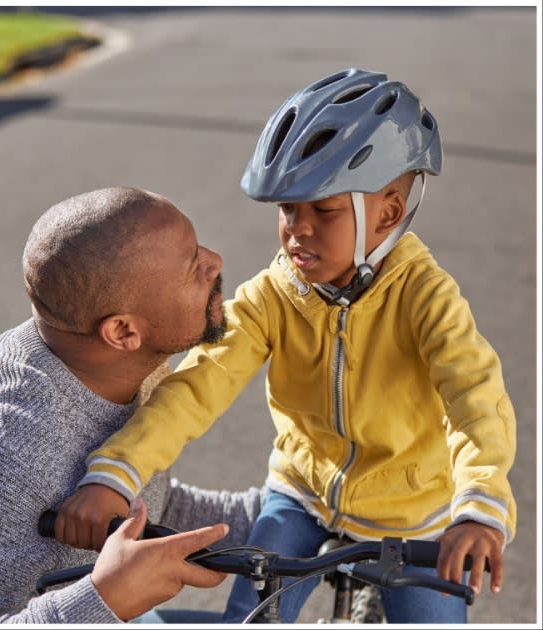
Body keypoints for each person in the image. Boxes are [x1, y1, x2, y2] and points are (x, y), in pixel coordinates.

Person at [56, 69, 517, 623]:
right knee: (248, 619)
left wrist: (481, 507)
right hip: (302, 494)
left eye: (323, 211)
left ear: (388, 213)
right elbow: (198, 383)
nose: (298, 229)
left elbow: (476, 403)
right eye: (288, 210)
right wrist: (115, 472)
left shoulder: (427, 299)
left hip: (413, 514)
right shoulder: (273, 295)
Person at [0, 186, 264, 624]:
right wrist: (105, 596)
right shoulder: (3, 455)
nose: (215, 261)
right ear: (123, 332)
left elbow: (147, 502)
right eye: (192, 266)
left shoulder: (118, 361)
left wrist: (282, 512)